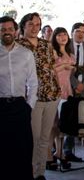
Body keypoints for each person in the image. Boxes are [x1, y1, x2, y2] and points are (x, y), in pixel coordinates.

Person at [18, 12, 61, 180]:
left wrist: (58, 88)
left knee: (45, 137)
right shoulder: (18, 45)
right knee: (33, 137)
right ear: (23, 26)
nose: (35, 28)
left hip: (51, 95)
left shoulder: (46, 44)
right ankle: (29, 172)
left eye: (37, 25)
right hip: (31, 97)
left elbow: (52, 68)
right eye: (31, 24)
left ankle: (40, 173)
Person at [1, 15, 38, 180]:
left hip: (20, 106)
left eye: (10, 29)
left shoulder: (26, 54)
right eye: (2, 30)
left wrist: (29, 106)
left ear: (16, 31)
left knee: (23, 149)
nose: (6, 32)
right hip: (0, 107)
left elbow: (33, 83)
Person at [63, 22, 84, 162]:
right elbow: (65, 68)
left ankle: (69, 151)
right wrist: (75, 84)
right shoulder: (65, 45)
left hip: (82, 89)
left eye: (83, 31)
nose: (81, 34)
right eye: (77, 31)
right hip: (67, 88)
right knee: (65, 119)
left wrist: (83, 85)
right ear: (72, 32)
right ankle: (63, 151)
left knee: (76, 118)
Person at [50, 27, 75, 170]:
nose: (63, 37)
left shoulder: (71, 53)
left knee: (63, 125)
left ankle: (59, 152)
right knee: (53, 124)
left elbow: (70, 74)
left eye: (65, 34)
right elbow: (50, 70)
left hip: (67, 89)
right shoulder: (53, 52)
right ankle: (52, 152)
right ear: (55, 37)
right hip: (55, 88)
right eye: (59, 35)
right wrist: (64, 65)